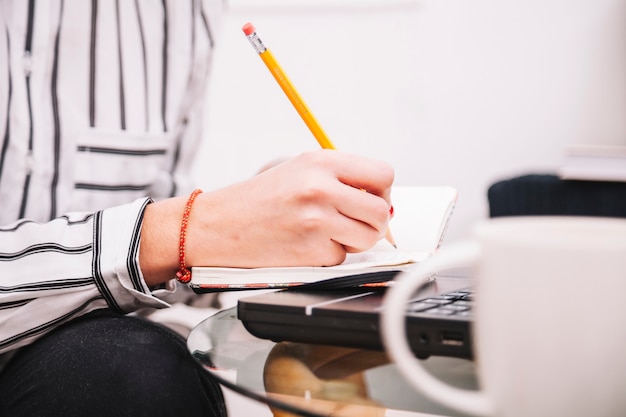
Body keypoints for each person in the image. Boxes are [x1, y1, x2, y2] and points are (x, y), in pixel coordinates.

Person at [0, 1, 394, 416]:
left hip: (88, 356)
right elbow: (160, 238)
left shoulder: (182, 11)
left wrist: (260, 233)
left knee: (127, 369)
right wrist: (198, 227)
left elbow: (157, 246)